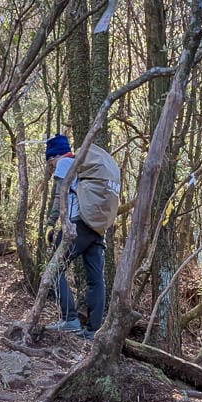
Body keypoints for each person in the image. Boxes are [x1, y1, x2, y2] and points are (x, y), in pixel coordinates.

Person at [44, 133, 121, 338]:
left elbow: (59, 195)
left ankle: (70, 319)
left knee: (54, 270)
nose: (52, 166)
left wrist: (51, 223)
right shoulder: (83, 166)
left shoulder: (65, 163)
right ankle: (93, 330)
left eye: (50, 162)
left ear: (55, 156)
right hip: (97, 229)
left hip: (77, 225)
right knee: (96, 280)